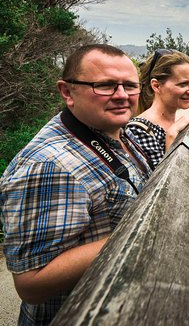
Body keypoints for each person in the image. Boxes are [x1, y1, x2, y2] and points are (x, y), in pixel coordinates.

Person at [0, 44, 152, 325]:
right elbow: (31, 284)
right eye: (105, 85)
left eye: (130, 86)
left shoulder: (114, 130)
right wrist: (142, 232)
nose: (121, 96)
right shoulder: (49, 165)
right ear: (67, 92)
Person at [126, 49, 189, 169]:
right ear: (156, 86)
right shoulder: (139, 131)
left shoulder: (177, 122)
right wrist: (172, 137)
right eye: (183, 84)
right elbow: (154, 184)